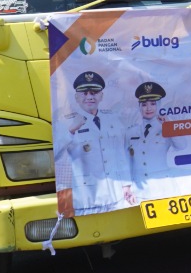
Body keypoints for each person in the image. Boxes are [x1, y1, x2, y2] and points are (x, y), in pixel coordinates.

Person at [55, 71, 134, 214]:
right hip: (87, 197)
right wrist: (71, 130)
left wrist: (126, 184)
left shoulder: (112, 119)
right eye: (84, 93)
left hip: (115, 194)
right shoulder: (65, 122)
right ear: (76, 97)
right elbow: (56, 154)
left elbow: (120, 154)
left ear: (101, 96)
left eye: (94, 93)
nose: (90, 97)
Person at [126, 81, 169, 195]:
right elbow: (125, 160)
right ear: (139, 107)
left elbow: (181, 145)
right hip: (140, 189)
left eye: (153, 104)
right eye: (144, 104)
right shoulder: (131, 132)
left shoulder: (165, 128)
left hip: (164, 187)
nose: (148, 108)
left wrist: (168, 126)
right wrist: (127, 185)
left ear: (159, 105)